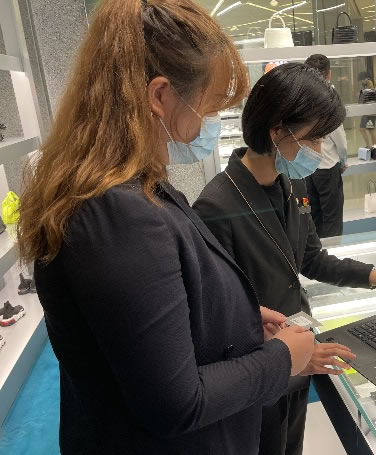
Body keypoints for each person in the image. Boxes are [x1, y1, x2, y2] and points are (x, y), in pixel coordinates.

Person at [15, 1, 316, 453]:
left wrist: (232, 317)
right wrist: (283, 358)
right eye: (209, 107)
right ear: (159, 96)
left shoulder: (132, 190)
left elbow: (141, 317)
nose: (210, 123)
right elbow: (175, 403)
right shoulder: (117, 213)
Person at [192, 63, 376, 455]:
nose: (320, 150)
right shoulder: (216, 207)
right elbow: (217, 318)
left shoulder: (292, 183)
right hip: (261, 370)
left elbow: (311, 259)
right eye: (314, 138)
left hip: (299, 350)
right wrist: (279, 354)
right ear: (277, 130)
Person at [303, 54, 347, 238]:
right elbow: (339, 137)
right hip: (327, 167)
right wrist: (343, 160)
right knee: (332, 218)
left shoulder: (301, 97)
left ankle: (316, 251)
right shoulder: (330, 98)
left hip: (305, 168)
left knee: (312, 215)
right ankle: (331, 252)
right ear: (329, 74)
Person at [358, 71, 376, 147]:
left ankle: (374, 147)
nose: (360, 82)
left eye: (360, 80)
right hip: (367, 110)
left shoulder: (369, 82)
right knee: (363, 129)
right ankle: (369, 146)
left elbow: (371, 95)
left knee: (370, 129)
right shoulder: (365, 84)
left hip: (370, 111)